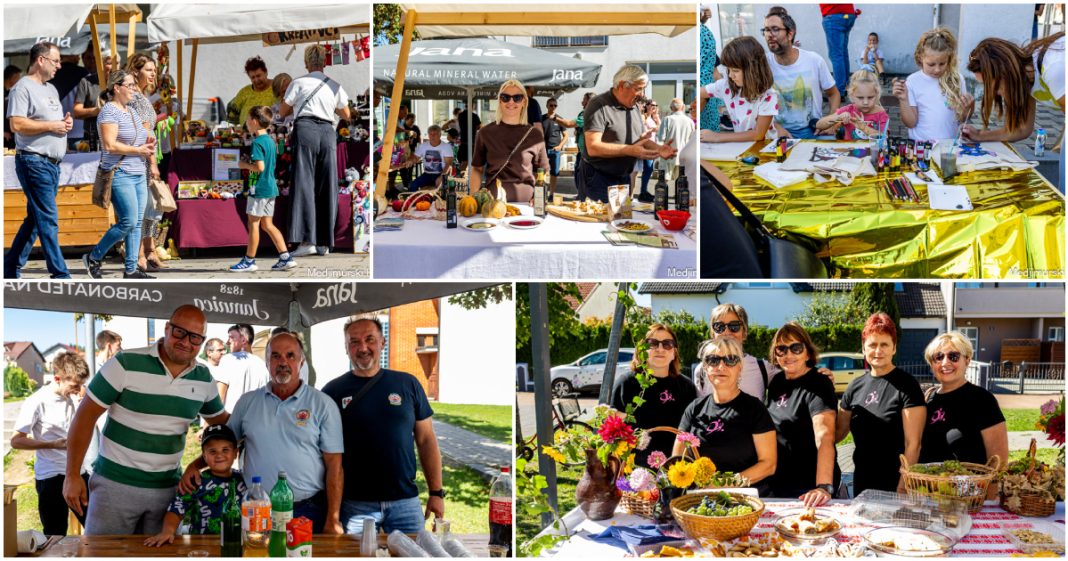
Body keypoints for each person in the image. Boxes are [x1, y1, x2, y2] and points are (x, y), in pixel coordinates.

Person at [63, 305, 229, 535]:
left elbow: (226, 429)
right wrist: (71, 475)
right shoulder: (126, 362)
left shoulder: (204, 378)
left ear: (202, 341)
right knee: (102, 555)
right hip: (114, 487)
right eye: (180, 332)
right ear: (167, 328)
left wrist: (196, 465)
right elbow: (84, 417)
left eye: (195, 337)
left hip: (167, 491)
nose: (186, 342)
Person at [182, 332, 344, 533]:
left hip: (308, 510)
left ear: (301, 362)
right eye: (275, 356)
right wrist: (194, 466)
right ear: (266, 362)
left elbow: (335, 466)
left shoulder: (322, 404)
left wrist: (333, 518)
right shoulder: (248, 402)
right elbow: (223, 446)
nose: (282, 362)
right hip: (258, 509)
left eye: (290, 355)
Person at [322, 317, 444, 534]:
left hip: (405, 503)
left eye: (370, 339)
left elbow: (426, 440)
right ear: (346, 348)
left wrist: (436, 493)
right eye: (354, 341)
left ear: (382, 343)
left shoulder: (408, 384)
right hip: (355, 504)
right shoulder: (332, 391)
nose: (363, 348)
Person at [3, 42, 73, 279]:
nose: (59, 66)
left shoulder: (51, 89)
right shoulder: (22, 88)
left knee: (36, 219)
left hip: (51, 164)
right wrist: (54, 125)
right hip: (34, 161)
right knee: (48, 219)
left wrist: (64, 124)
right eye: (56, 61)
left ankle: (10, 266)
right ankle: (60, 273)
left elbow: (52, 123)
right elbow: (17, 124)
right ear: (41, 60)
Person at [835, 312, 925, 495]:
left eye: (884, 344)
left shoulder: (907, 385)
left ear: (894, 348)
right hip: (861, 481)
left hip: (895, 483)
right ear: (863, 348)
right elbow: (838, 432)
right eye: (872, 345)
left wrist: (903, 487)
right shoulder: (855, 386)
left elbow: (913, 444)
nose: (878, 351)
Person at [675, 336, 777, 496]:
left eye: (730, 359)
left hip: (746, 500)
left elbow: (768, 464)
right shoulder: (694, 409)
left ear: (740, 368)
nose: (721, 366)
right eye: (713, 360)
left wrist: (724, 485)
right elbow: (677, 459)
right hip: (701, 498)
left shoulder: (755, 408)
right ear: (705, 368)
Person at [964, 32, 1065, 190]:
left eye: (994, 86)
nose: (995, 93)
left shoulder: (1053, 68)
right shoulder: (1026, 75)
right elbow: (1021, 129)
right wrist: (980, 136)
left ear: (1006, 73)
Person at [81, 70, 156, 280]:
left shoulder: (131, 111)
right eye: (130, 85)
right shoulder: (108, 112)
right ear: (117, 88)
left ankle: (131, 269)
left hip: (139, 172)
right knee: (128, 221)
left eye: (134, 85)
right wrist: (139, 150)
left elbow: (140, 137)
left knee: (137, 222)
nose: (134, 89)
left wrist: (147, 144)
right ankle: (94, 257)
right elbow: (109, 145)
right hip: (120, 173)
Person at [279, 45, 351, 258]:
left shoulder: (298, 82)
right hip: (328, 132)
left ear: (306, 63)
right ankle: (324, 242)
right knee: (327, 184)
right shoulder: (335, 85)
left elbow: (283, 111)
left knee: (304, 183)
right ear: (325, 63)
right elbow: (346, 113)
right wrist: (330, 105)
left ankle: (306, 240)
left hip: (306, 129)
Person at [11, 352, 90, 536]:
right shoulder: (36, 401)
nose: (78, 389)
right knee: (55, 535)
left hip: (79, 473)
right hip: (51, 477)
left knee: (97, 527)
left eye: (81, 384)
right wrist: (53, 444)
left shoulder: (76, 394)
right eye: (74, 385)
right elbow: (16, 441)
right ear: (57, 378)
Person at [919, 332, 1008, 491]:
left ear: (967, 360)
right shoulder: (928, 399)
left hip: (968, 497)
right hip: (929, 493)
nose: (945, 363)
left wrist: (989, 497)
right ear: (932, 364)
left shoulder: (982, 400)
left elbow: (998, 460)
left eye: (953, 356)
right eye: (938, 357)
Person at [765, 323, 840, 506]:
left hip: (809, 488)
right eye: (781, 349)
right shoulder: (776, 382)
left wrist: (823, 486)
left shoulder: (819, 383)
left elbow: (825, 436)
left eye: (796, 348)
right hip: (779, 481)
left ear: (808, 352)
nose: (788, 355)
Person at [582, 65, 677, 202]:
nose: (642, 94)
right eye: (638, 89)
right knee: (600, 221)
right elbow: (593, 147)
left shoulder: (634, 107)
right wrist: (629, 150)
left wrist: (659, 149)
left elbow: (640, 138)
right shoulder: (598, 105)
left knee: (621, 220)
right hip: (598, 177)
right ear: (622, 85)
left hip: (623, 176)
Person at [610, 323, 697, 469]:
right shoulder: (627, 383)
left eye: (667, 344)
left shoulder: (686, 387)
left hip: (675, 470)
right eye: (653, 343)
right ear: (642, 350)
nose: (660, 349)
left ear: (674, 351)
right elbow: (614, 435)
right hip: (634, 472)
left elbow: (690, 434)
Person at [144, 424, 247, 546]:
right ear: (204, 456)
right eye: (212, 451)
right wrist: (168, 531)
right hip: (202, 545)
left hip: (236, 545)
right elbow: (176, 509)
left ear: (236, 453)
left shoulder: (244, 479)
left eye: (225, 450)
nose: (219, 455)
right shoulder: (196, 481)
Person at [229, 106, 296, 272]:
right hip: (270, 188)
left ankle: (249, 260)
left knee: (254, 224)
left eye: (247, 119)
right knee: (268, 224)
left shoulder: (257, 142)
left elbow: (259, 167)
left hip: (259, 189)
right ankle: (285, 257)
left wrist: (243, 164)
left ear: (254, 121)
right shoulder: (270, 141)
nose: (246, 122)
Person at [763, 7, 840, 139]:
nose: (769, 34)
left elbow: (833, 94)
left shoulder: (814, 60)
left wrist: (833, 121)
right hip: (778, 132)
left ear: (790, 34)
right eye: (766, 30)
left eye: (775, 29)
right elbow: (755, 102)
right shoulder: (762, 63)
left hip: (814, 131)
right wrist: (774, 126)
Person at [469, 79, 550, 202]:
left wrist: (540, 197)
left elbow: (544, 172)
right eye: (505, 97)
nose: (511, 101)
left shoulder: (535, 135)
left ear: (524, 101)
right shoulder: (485, 133)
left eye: (517, 97)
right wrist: (473, 199)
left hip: (528, 207)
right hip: (492, 205)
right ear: (500, 101)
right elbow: (477, 169)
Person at [893, 27, 974, 142]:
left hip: (950, 145)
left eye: (942, 64)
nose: (937, 69)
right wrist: (903, 100)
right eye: (931, 64)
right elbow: (910, 123)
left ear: (949, 58)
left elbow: (963, 118)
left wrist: (969, 107)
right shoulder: (912, 81)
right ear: (921, 57)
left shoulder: (957, 79)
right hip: (921, 146)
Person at [124, 53, 165, 275]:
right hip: (142, 159)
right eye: (149, 70)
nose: (153, 74)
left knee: (151, 208)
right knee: (143, 208)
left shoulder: (142, 96)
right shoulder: (135, 98)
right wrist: (153, 163)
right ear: (136, 71)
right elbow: (144, 131)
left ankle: (149, 251)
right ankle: (139, 254)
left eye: (154, 70)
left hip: (147, 156)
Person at [701, 36, 779, 143]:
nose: (731, 75)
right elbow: (701, 93)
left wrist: (716, 136)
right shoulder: (726, 86)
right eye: (728, 70)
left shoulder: (768, 96)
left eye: (735, 70)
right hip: (740, 149)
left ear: (753, 70)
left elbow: (758, 134)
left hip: (765, 150)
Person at [815, 69, 889, 140]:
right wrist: (838, 117)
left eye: (870, 97)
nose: (865, 102)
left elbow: (885, 136)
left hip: (873, 151)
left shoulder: (880, 113)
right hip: (850, 151)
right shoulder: (848, 110)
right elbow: (819, 125)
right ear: (852, 96)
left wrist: (863, 127)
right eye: (860, 98)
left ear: (877, 95)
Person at [547, 92, 595, 199]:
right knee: (579, 175)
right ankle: (581, 196)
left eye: (583, 98)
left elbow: (568, 124)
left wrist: (554, 118)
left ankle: (583, 198)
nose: (581, 100)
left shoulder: (587, 114)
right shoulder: (588, 113)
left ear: (588, 101)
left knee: (583, 176)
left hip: (587, 153)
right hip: (583, 151)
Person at [215, 324, 270, 413]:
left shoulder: (228, 359)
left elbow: (218, 399)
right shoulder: (263, 365)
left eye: (231, 337)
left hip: (230, 421)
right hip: (254, 422)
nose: (227, 342)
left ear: (243, 340)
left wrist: (208, 424)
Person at [71, 51, 116, 152]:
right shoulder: (86, 82)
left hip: (117, 138)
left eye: (116, 63)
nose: (113, 67)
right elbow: (76, 111)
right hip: (93, 139)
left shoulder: (122, 84)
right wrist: (98, 110)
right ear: (101, 64)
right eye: (109, 63)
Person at [820, 4, 859, 99]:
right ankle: (845, 87)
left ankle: (838, 91)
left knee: (836, 55)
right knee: (842, 53)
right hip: (847, 14)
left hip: (834, 15)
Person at [227, 56, 275, 127]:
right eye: (253, 77)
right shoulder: (244, 92)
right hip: (246, 136)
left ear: (266, 72)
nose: (256, 80)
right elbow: (232, 116)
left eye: (258, 76)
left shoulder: (277, 87)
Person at [657, 98, 696, 181]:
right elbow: (692, 140)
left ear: (671, 108)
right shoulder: (690, 121)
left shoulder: (667, 119)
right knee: (681, 182)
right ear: (683, 107)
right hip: (683, 155)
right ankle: (677, 194)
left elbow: (661, 138)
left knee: (663, 181)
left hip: (668, 154)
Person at [700, 5, 724, 133]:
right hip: (708, 90)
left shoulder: (701, 32)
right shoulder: (705, 32)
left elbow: (715, 72)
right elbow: (715, 73)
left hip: (705, 91)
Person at [409, 124, 453, 190]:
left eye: (435, 134)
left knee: (438, 190)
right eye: (430, 134)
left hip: (441, 173)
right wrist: (411, 160)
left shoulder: (446, 147)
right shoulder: (423, 146)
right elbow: (415, 157)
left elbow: (448, 164)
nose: (432, 136)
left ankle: (437, 200)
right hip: (427, 174)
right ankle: (413, 200)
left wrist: (442, 176)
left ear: (440, 135)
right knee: (413, 184)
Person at [541, 98, 568, 198]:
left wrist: (560, 146)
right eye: (551, 105)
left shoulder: (559, 119)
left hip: (555, 150)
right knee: (541, 172)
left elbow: (566, 135)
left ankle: (551, 194)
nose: (553, 107)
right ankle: (542, 192)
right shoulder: (541, 118)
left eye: (555, 105)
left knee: (554, 173)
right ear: (547, 106)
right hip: (543, 150)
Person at [456, 104, 481, 171]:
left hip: (463, 141)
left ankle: (461, 176)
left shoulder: (460, 115)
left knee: (464, 162)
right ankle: (461, 177)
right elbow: (479, 126)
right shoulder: (474, 116)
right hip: (471, 142)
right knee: (470, 162)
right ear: (473, 106)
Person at [4, 64, 23, 149]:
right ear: (12, 77)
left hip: (12, 137)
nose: (19, 81)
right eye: (18, 78)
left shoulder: (11, 92)